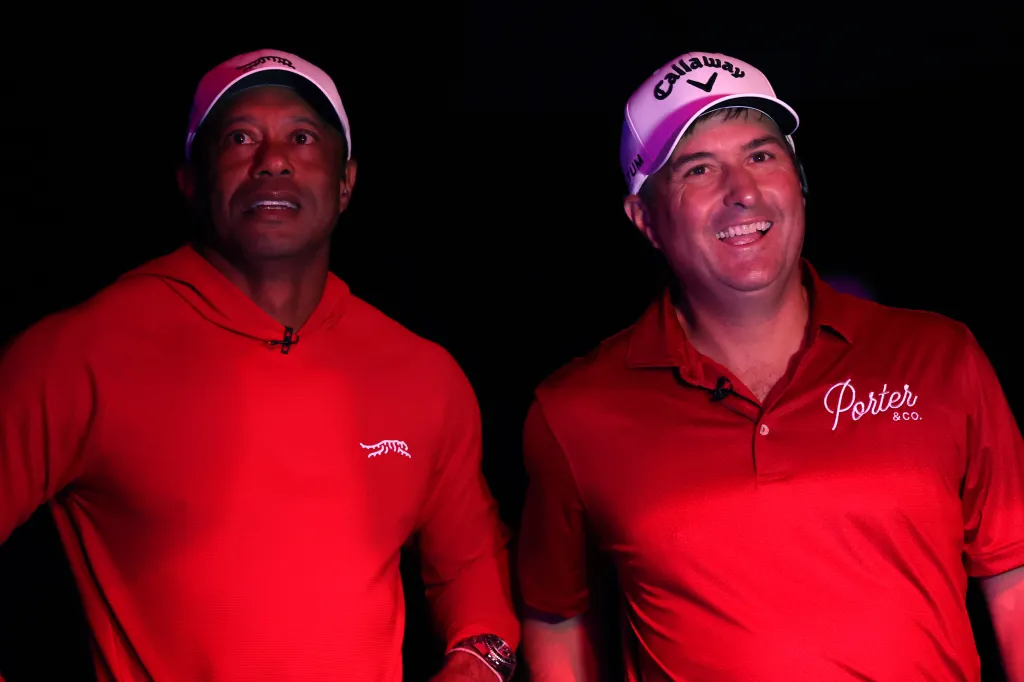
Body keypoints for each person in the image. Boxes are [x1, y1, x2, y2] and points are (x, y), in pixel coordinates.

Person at [0, 49, 518, 682]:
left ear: (346, 181)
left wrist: (476, 665)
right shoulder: (80, 353)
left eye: (301, 138)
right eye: (240, 138)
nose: (272, 160)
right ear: (191, 180)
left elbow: (474, 577)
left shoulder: (425, 376)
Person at [516, 51, 1024, 681]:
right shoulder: (573, 412)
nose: (743, 193)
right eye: (699, 169)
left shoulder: (941, 356)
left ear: (797, 178)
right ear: (643, 217)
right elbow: (556, 616)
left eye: (761, 155)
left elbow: (1013, 573)